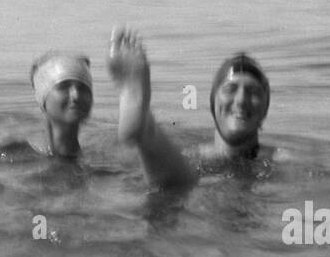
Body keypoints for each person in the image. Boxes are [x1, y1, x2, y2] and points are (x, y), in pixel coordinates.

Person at [107, 26, 279, 190]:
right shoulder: (278, 162)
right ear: (212, 103)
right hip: (208, 190)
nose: (241, 100)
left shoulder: (282, 159)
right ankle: (144, 129)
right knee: (179, 185)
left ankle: (146, 131)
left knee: (177, 189)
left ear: (266, 109)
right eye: (230, 89)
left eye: (254, 92)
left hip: (194, 192)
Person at [0, 52, 93, 160]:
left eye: (83, 88)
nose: (76, 95)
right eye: (63, 87)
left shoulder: (96, 159)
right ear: (43, 98)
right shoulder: (12, 155)